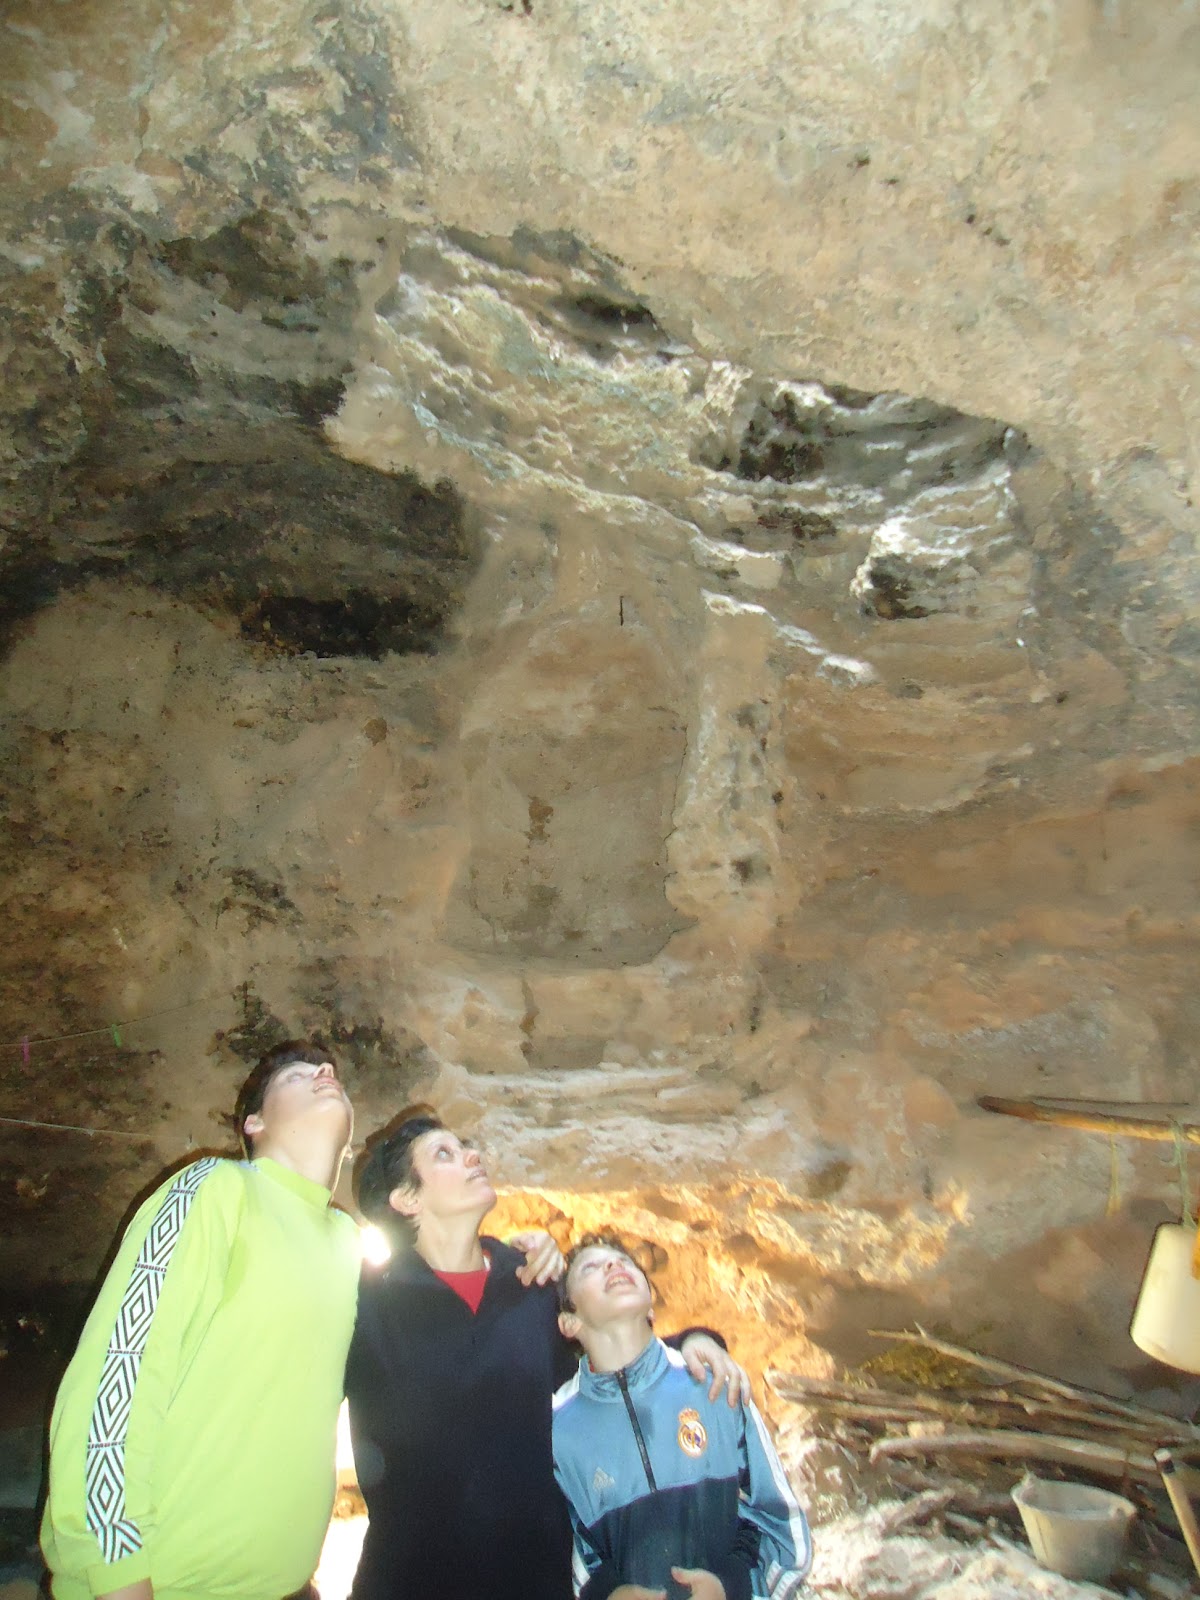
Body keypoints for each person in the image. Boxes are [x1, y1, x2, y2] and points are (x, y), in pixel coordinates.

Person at [346, 1107, 749, 1600]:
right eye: (445, 1154)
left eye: (467, 1146)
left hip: (535, 1579)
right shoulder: (369, 1304)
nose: (474, 1156)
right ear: (407, 1198)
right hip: (409, 1582)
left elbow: (614, 1363)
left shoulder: (531, 1286)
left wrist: (694, 1341)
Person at [41, 1042, 361, 1600]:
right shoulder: (218, 1190)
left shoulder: (346, 1242)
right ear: (254, 1123)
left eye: (327, 1069)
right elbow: (116, 1377)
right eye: (296, 1074)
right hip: (159, 1587)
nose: (324, 1072)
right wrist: (118, 1573)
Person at [552, 1235, 812, 1600]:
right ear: (569, 1323)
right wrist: (609, 1594)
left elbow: (783, 1525)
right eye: (591, 1268)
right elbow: (567, 1555)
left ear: (651, 1307)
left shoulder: (714, 1383)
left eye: (624, 1261)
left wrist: (730, 1587)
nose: (615, 1266)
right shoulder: (558, 1431)